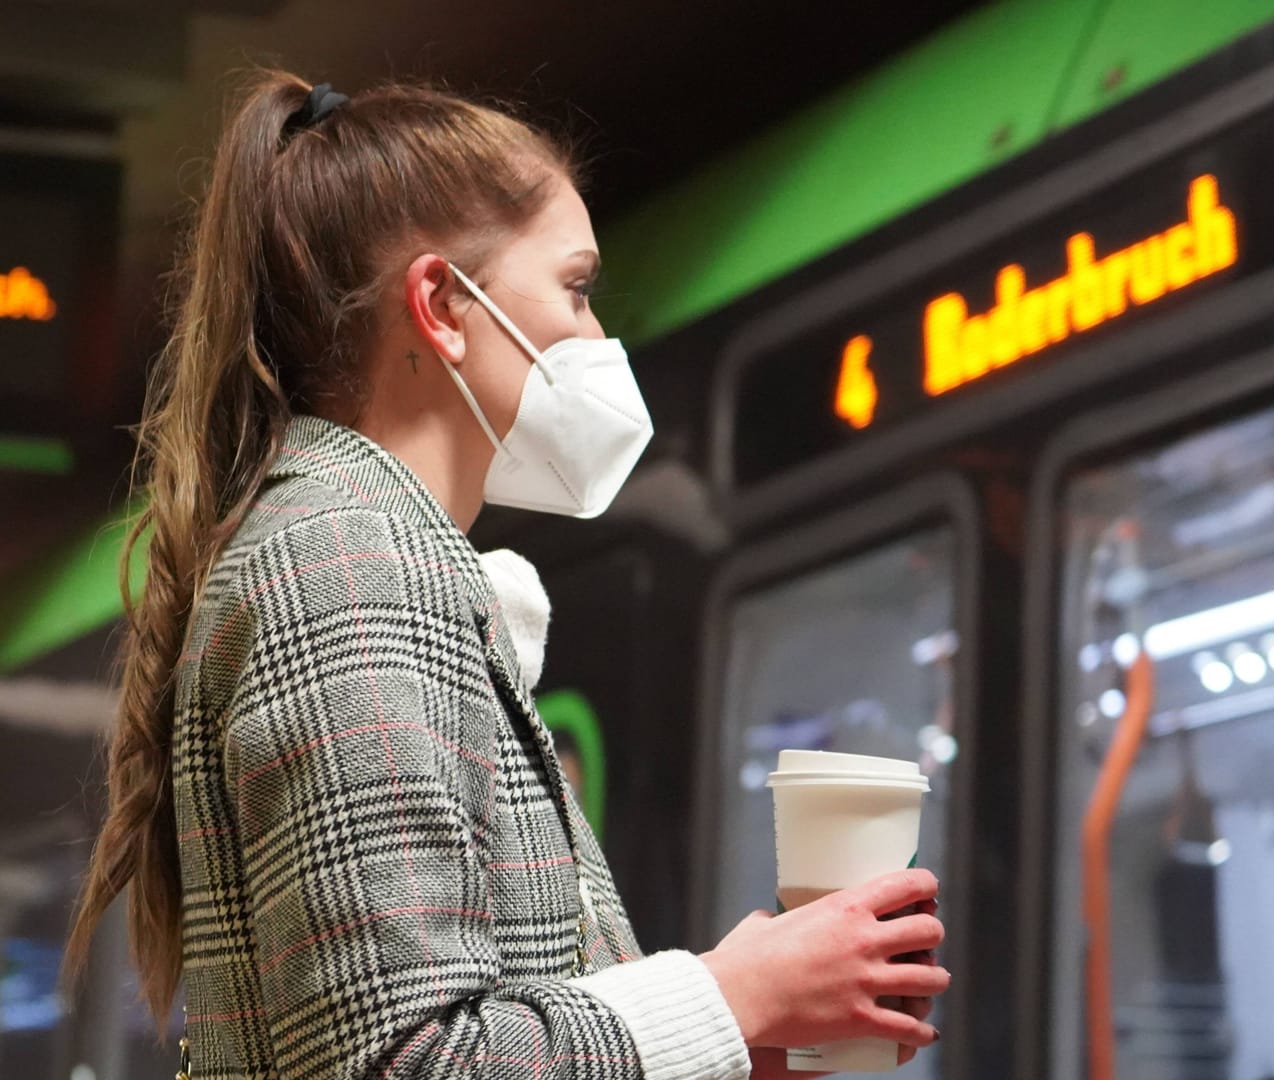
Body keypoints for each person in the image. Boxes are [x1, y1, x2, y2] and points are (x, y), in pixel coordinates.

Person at [64, 70, 948, 1080]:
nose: (596, 338)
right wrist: (730, 990)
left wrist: (729, 1042)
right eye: (574, 288)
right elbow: (408, 1059)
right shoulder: (352, 560)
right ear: (441, 303)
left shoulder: (358, 543)